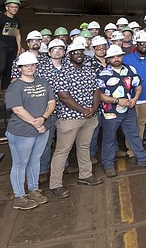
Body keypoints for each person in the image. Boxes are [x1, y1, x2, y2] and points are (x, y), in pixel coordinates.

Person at [47, 38, 102, 198]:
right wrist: (83, 110)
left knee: (84, 146)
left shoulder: (88, 69)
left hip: (89, 116)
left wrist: (93, 108)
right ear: (69, 54)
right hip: (69, 117)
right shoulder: (63, 71)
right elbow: (63, 96)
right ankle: (55, 185)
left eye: (80, 52)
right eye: (74, 52)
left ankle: (85, 175)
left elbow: (96, 90)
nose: (78, 54)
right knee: (62, 150)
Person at [97, 45, 146, 177]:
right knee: (109, 138)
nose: (116, 59)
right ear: (108, 59)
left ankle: (142, 158)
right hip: (111, 112)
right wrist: (116, 101)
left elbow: (138, 86)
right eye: (113, 57)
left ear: (122, 56)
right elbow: (99, 95)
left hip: (128, 109)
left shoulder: (130, 70)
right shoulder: (102, 74)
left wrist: (135, 99)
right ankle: (108, 164)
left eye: (118, 56)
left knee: (134, 134)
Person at [4, 51, 55, 210]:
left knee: (35, 160)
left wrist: (43, 119)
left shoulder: (43, 82)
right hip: (22, 131)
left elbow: (51, 102)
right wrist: (36, 123)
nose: (29, 67)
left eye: (32, 65)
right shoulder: (14, 87)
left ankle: (33, 190)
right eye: (26, 65)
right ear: (20, 67)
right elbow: (17, 110)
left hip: (41, 128)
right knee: (20, 163)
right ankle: (19, 196)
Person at [121, 33, 146, 158]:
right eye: (141, 44)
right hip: (130, 99)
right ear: (136, 44)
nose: (143, 46)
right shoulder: (127, 59)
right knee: (131, 125)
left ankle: (137, 147)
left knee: (141, 123)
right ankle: (131, 149)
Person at [0, 0, 23, 92]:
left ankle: (5, 88)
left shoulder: (16, 20)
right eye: (12, 7)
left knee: (9, 68)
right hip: (2, 46)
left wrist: (19, 48)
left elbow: (17, 34)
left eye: (16, 7)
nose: (15, 9)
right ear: (7, 7)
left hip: (12, 47)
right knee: (1, 67)